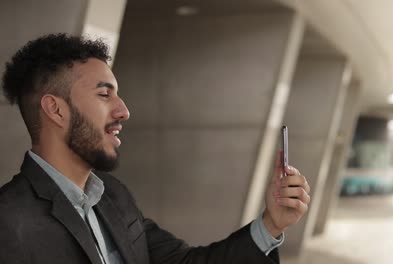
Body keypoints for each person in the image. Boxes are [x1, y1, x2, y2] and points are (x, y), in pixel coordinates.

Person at [0, 34, 311, 264]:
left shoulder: (113, 196)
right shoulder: (8, 223)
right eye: (104, 95)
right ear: (56, 110)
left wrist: (271, 225)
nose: (124, 110)